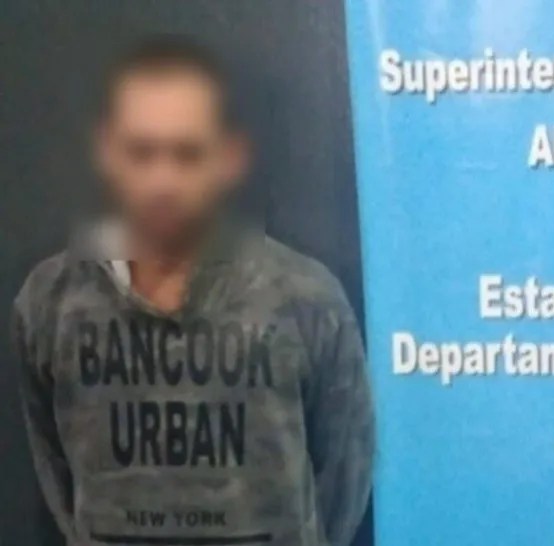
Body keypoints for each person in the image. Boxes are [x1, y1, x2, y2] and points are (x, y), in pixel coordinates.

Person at [11, 36, 373, 546]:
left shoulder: (307, 299)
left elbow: (343, 478)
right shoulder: (50, 301)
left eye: (187, 154)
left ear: (228, 157)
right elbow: (55, 471)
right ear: (108, 151)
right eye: (142, 152)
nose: (163, 180)